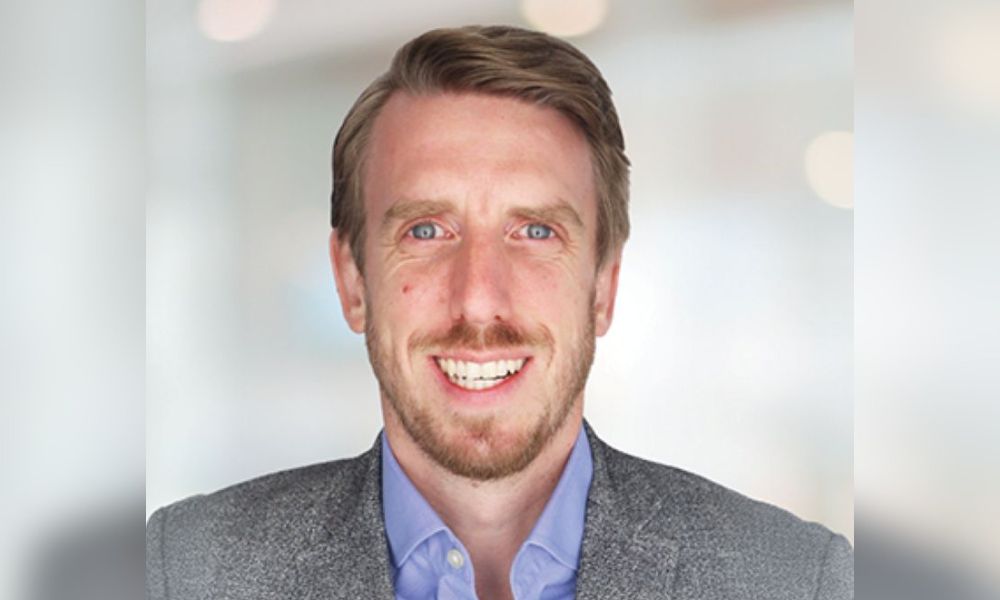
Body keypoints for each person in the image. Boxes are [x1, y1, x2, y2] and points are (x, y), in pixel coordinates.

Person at [145, 25, 853, 600]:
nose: (480, 298)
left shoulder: (799, 582)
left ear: (602, 286)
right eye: (426, 231)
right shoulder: (181, 574)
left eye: (535, 231)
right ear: (352, 280)